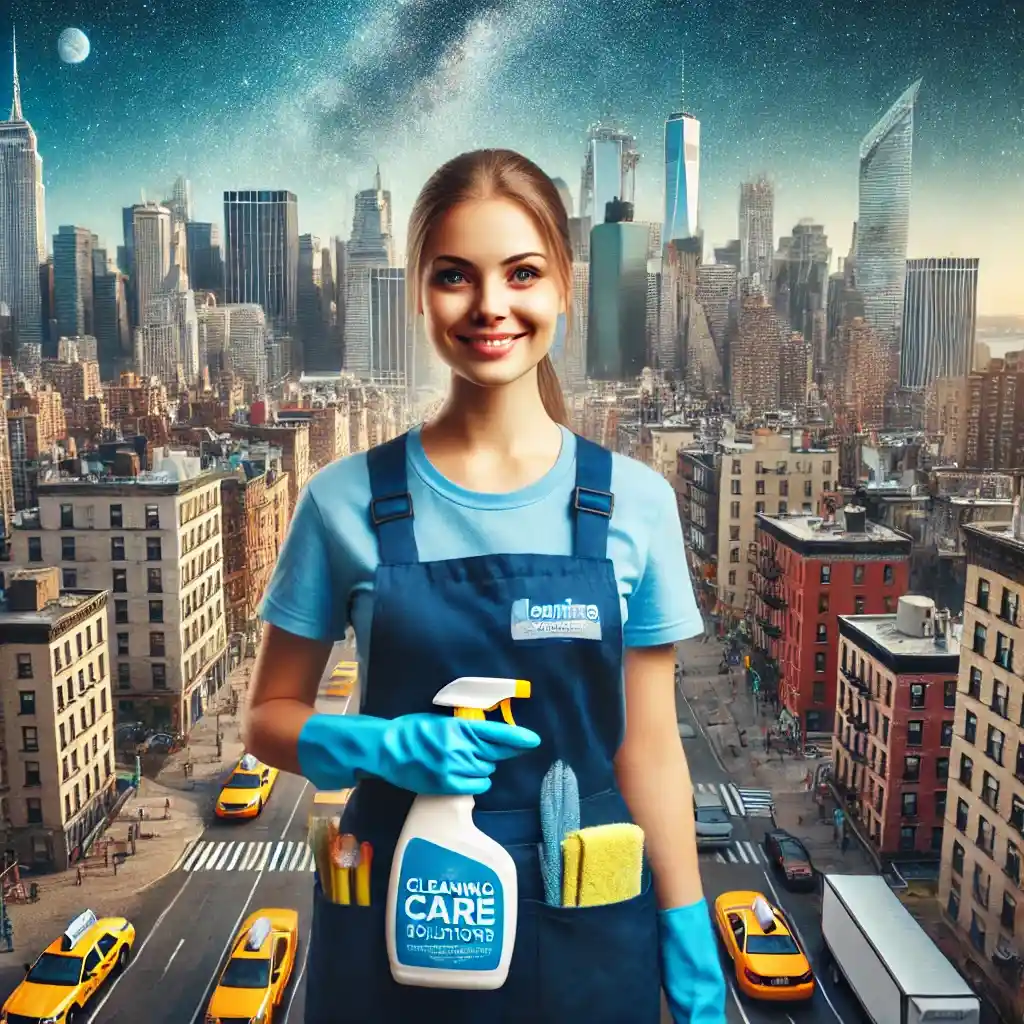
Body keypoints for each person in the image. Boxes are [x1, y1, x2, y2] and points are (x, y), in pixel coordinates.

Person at [243, 148, 726, 1024]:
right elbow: (267, 718)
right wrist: (382, 746)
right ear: (420, 293)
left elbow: (648, 749)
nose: (491, 306)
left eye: (523, 273)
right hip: (398, 920)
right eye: (456, 276)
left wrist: (687, 929)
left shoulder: (635, 506)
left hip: (587, 934)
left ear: (565, 288)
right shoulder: (344, 502)